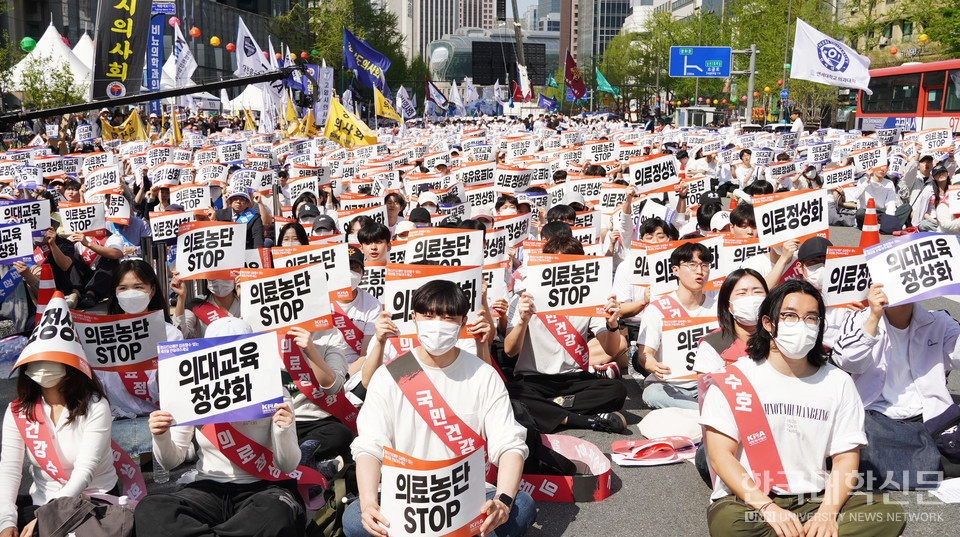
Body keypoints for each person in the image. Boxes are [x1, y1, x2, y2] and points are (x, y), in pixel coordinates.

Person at [702, 280, 906, 537]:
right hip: (751, 500)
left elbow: (845, 458)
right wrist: (766, 507)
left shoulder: (838, 381)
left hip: (815, 499)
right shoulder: (734, 378)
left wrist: (828, 514)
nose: (802, 324)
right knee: (729, 524)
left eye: (812, 318)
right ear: (768, 323)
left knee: (888, 513)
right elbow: (721, 456)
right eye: (790, 315)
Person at [344, 281, 536, 537]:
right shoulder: (389, 375)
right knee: (356, 521)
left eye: (448, 317)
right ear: (413, 318)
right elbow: (369, 446)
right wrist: (369, 503)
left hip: (468, 496)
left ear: (463, 322)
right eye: (428, 315)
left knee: (521, 506)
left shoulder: (483, 375)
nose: (437, 323)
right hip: (404, 498)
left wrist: (503, 501)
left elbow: (509, 443)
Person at [135, 318, 306, 537]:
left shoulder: (276, 392)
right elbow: (170, 461)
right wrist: (160, 435)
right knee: (151, 510)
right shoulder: (190, 390)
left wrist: (282, 431)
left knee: (277, 514)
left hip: (263, 488)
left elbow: (288, 464)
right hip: (207, 488)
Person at [833, 283, 960, 489]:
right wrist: (873, 317)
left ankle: (924, 459)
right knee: (855, 445)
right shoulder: (858, 319)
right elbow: (846, 360)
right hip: (875, 416)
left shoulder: (939, 320)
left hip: (927, 415)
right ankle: (930, 461)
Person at [504, 236, 628, 433]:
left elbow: (611, 349)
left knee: (617, 391)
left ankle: (546, 409)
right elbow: (510, 351)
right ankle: (583, 420)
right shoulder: (522, 301)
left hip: (574, 379)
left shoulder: (590, 300)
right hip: (533, 379)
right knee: (510, 394)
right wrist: (522, 320)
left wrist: (612, 324)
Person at [1, 351, 119, 537]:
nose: (44, 365)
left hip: (92, 501)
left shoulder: (96, 406)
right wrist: (6, 522)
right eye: (38, 358)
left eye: (52, 357)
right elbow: (9, 470)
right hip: (39, 501)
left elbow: (85, 470)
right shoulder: (18, 410)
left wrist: (48, 516)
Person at [102, 260, 183, 458]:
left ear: (152, 290)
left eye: (138, 287)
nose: (131, 293)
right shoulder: (101, 337)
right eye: (123, 288)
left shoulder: (171, 335)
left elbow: (175, 391)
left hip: (158, 422)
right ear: (115, 293)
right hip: (115, 423)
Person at [636, 242, 717, 410]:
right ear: (675, 270)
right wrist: (653, 365)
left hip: (708, 382)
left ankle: (701, 410)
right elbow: (645, 355)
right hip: (669, 385)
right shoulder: (657, 309)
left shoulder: (718, 309)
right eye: (692, 265)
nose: (700, 271)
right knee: (651, 394)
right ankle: (706, 411)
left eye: (705, 265)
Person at [693, 268, 768, 376]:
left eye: (757, 292)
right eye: (742, 293)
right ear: (728, 304)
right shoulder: (713, 344)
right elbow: (707, 389)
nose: (751, 298)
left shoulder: (778, 338)